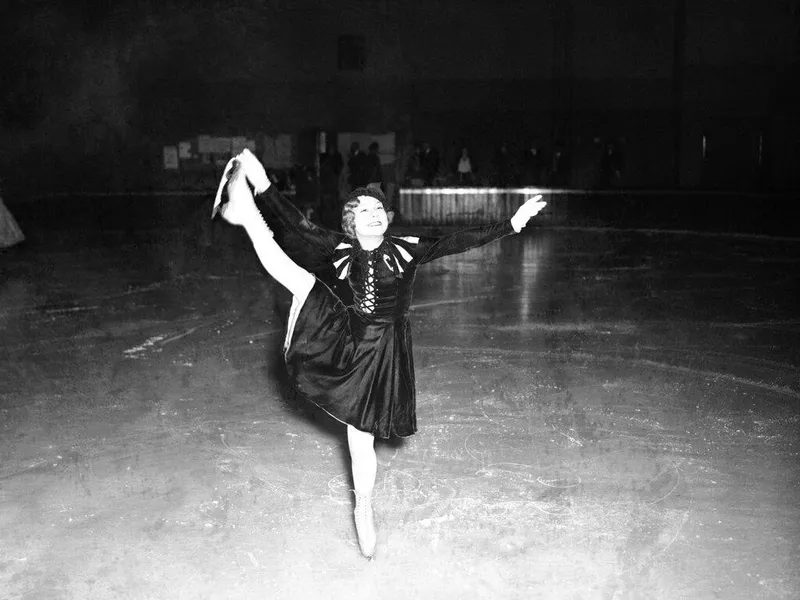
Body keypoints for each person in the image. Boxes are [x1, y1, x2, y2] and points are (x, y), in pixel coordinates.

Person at [212, 149, 547, 559]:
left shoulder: (406, 248)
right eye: (362, 210)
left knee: (361, 437)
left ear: (387, 219)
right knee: (299, 280)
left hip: (385, 353)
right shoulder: (340, 250)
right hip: (346, 336)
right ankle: (247, 213)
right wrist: (262, 182)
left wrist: (510, 225)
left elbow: (454, 241)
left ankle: (364, 504)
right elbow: (296, 224)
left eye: (378, 208)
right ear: (351, 225)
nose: (372, 213)